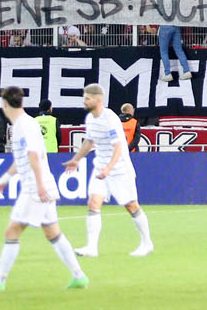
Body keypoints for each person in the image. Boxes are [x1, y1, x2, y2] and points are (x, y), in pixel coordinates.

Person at [0, 86, 89, 291]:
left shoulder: (22, 126)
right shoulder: (28, 123)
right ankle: (79, 275)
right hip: (42, 184)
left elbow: (33, 157)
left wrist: (39, 186)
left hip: (35, 189)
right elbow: (24, 158)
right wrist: (5, 179)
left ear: (4, 104)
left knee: (13, 230)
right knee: (53, 233)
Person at [62, 84, 153, 258]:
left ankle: (147, 242)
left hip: (119, 168)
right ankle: (91, 247)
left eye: (88, 98)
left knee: (131, 206)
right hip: (100, 167)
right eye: (85, 97)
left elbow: (118, 146)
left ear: (98, 99)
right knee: (93, 203)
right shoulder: (90, 119)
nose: (84, 101)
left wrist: (109, 169)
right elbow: (89, 142)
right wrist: (76, 159)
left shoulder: (109, 118)